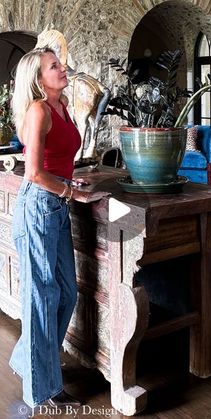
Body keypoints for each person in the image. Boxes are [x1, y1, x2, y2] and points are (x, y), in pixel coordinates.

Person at [8, 46, 109, 409]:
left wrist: (71, 182)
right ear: (38, 79)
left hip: (57, 206)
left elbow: (59, 160)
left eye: (61, 63)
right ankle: (43, 390)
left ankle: (27, 360)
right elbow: (33, 173)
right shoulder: (38, 110)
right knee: (41, 299)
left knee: (66, 293)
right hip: (38, 209)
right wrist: (69, 190)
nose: (63, 68)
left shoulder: (61, 105)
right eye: (54, 66)